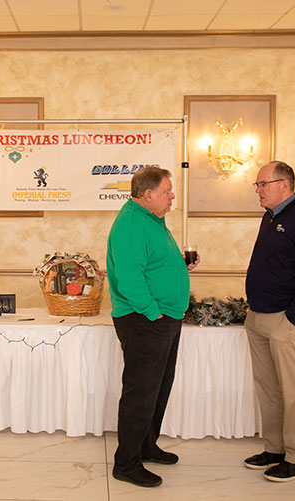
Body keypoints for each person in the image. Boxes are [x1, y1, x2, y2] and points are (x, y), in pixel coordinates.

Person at [106, 166, 199, 488]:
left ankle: (146, 446)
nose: (172, 196)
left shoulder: (152, 219)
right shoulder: (132, 224)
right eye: (167, 191)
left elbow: (151, 264)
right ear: (148, 195)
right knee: (141, 393)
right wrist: (152, 313)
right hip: (145, 320)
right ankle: (126, 463)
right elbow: (129, 278)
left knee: (158, 388)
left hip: (163, 318)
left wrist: (179, 265)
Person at [243, 161, 295, 483]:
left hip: (284, 319)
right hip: (258, 316)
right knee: (268, 388)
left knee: (292, 392)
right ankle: (275, 449)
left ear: (284, 185)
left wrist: (292, 318)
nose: (258, 190)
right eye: (257, 185)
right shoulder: (270, 217)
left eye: (262, 184)